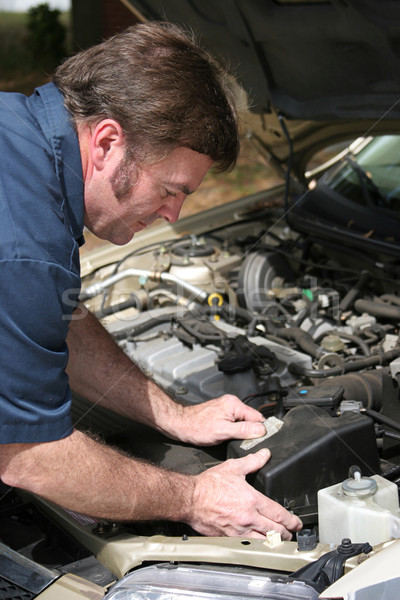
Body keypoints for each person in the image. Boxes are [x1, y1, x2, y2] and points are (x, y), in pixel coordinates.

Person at [0, 21, 302, 540]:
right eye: (170, 189)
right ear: (108, 142)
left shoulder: (17, 133)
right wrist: (193, 497)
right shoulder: (24, 244)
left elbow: (55, 318)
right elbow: (30, 457)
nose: (174, 216)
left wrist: (175, 417)